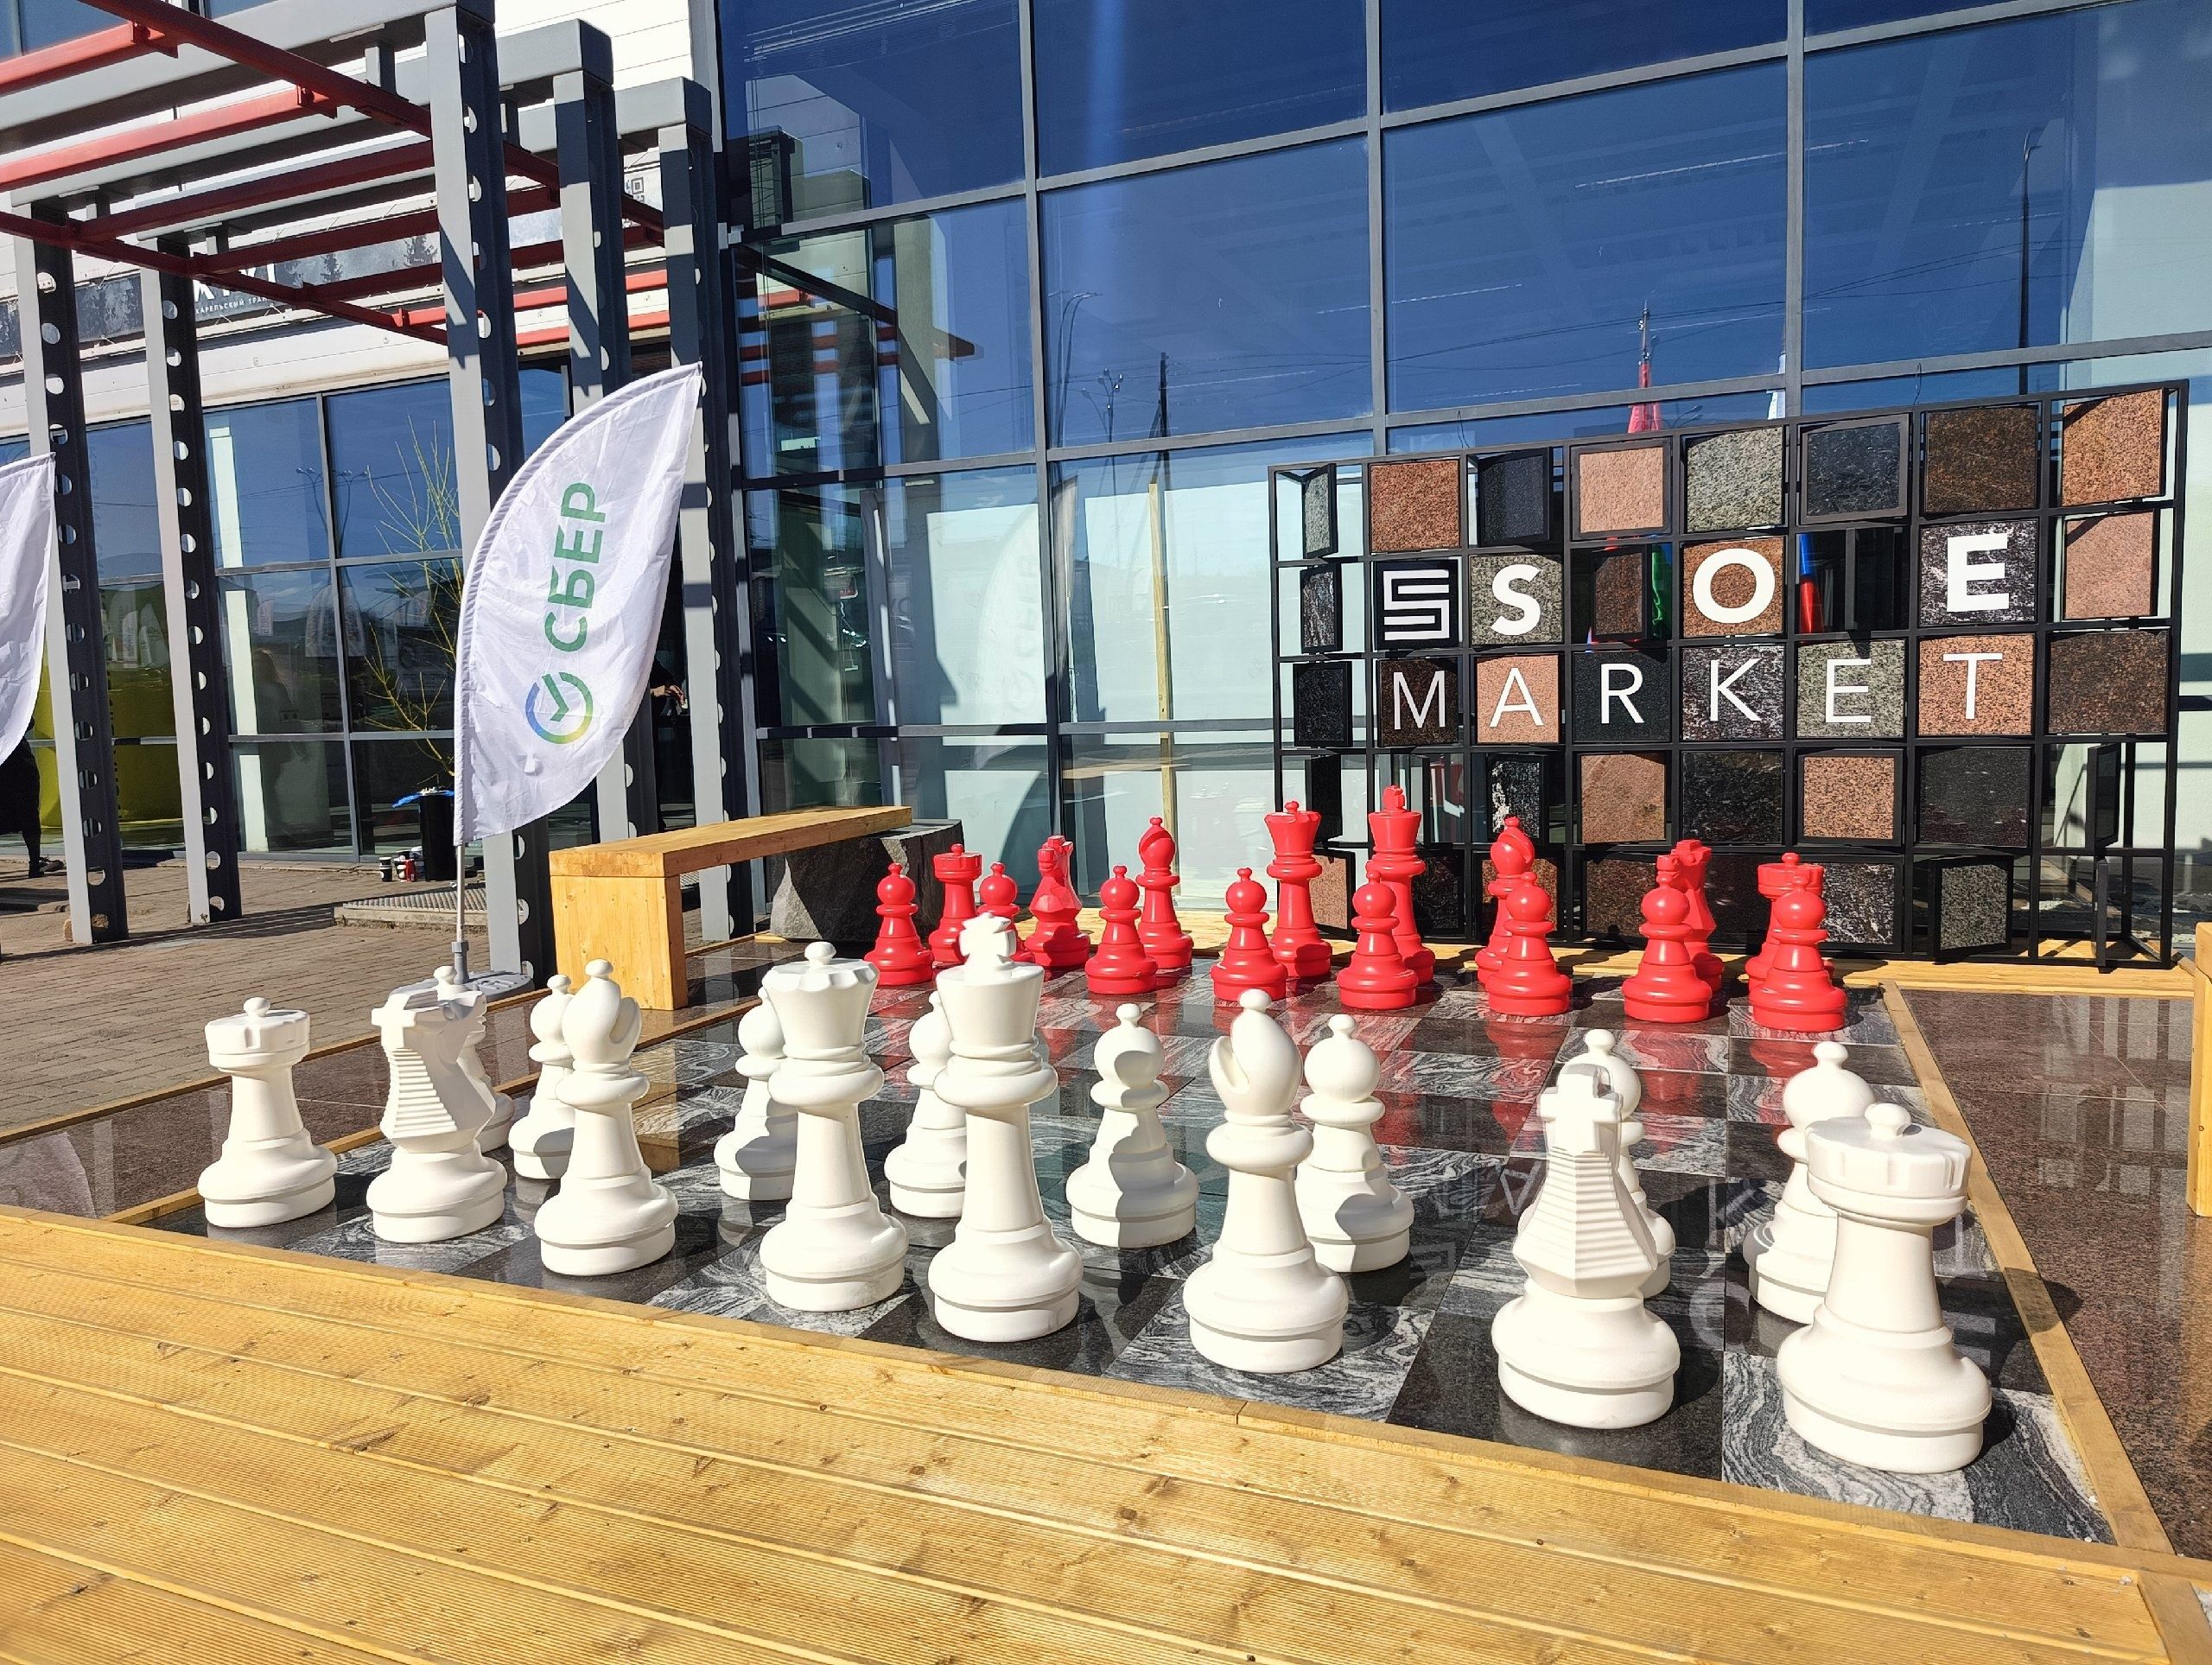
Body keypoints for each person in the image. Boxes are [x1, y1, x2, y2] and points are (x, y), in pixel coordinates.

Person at [0, 739, 42, 877]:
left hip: (9, 763)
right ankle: (35, 863)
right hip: (21, 764)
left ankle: (35, 863)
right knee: (29, 815)